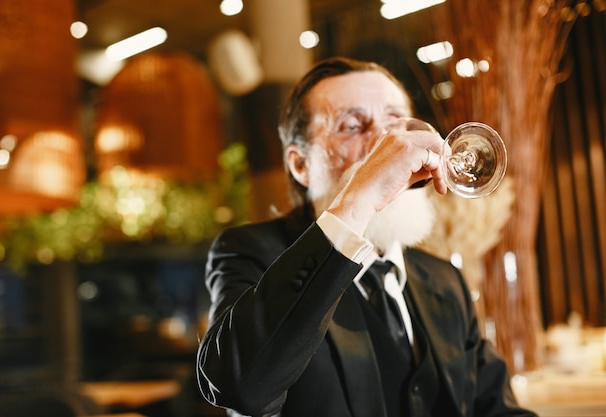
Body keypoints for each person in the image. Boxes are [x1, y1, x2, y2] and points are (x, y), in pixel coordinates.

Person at [196, 57, 536, 417]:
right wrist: (361, 197)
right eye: (353, 126)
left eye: (395, 124)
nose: (387, 145)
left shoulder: (443, 278)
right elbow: (240, 388)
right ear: (301, 165)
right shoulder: (250, 253)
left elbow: (496, 408)